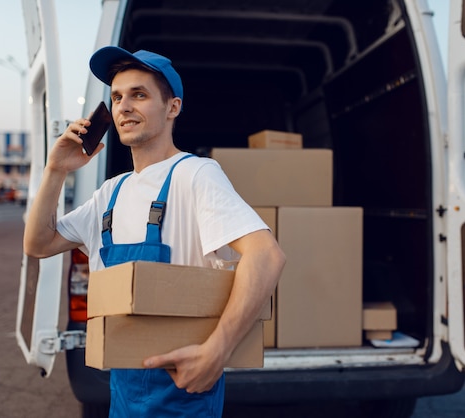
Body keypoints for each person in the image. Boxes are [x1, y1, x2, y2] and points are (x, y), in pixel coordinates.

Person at [23, 46, 286, 417]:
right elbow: (38, 243)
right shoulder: (110, 194)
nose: (124, 107)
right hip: (124, 399)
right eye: (116, 97)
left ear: (173, 107)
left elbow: (266, 255)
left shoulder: (195, 174)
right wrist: (56, 169)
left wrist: (217, 351)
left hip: (184, 396)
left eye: (139, 95)